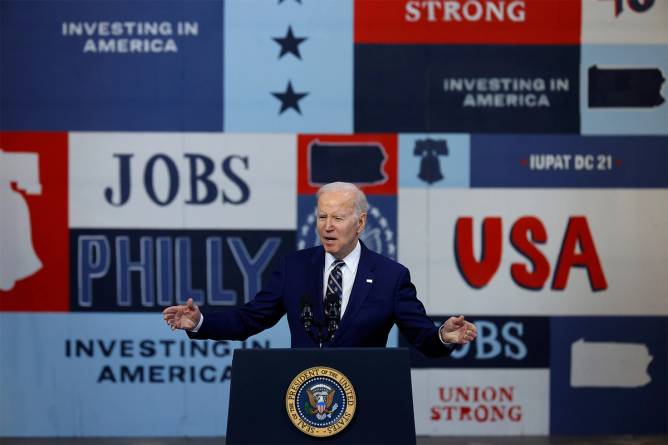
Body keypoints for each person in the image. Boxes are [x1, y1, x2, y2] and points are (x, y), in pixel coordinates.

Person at [163, 182, 476, 357]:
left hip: (363, 398)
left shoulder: (391, 276)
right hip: (302, 396)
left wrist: (443, 336)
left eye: (338, 218)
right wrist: (199, 322)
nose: (327, 227)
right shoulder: (295, 267)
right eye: (322, 217)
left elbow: (421, 337)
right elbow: (249, 319)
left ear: (361, 223)